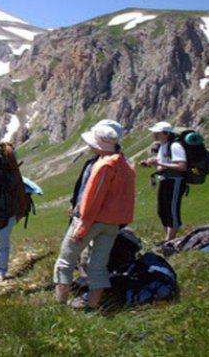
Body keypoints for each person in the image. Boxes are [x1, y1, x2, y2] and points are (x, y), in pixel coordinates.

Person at [54, 125, 135, 309]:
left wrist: (82, 225)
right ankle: (93, 305)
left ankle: (60, 304)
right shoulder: (125, 164)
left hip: (92, 221)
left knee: (65, 261)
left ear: (99, 145)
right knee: (98, 265)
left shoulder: (104, 165)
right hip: (112, 224)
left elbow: (93, 198)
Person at [139, 121, 188, 242]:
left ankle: (170, 240)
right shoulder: (163, 145)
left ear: (166, 133)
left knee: (172, 209)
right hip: (165, 180)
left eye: (158, 133)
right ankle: (167, 238)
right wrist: (150, 163)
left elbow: (182, 166)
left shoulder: (175, 146)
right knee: (162, 209)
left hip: (175, 180)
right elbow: (164, 162)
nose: (155, 135)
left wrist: (159, 163)